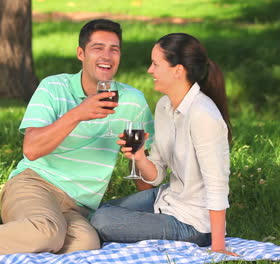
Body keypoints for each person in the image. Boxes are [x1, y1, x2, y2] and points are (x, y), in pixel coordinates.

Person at [0, 19, 154, 255]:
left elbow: (142, 178)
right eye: (98, 48)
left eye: (114, 49)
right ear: (81, 54)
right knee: (47, 232)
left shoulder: (133, 102)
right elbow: (31, 149)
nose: (107, 57)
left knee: (85, 245)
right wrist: (78, 113)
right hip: (34, 184)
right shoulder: (54, 87)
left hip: (78, 206)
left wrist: (139, 160)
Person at [90, 33, 238, 256]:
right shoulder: (164, 106)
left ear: (178, 71)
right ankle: (151, 223)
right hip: (167, 199)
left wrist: (218, 246)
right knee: (100, 211)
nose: (150, 71)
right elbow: (157, 175)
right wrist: (139, 157)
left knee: (101, 220)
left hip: (193, 223)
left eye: (156, 64)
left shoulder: (203, 116)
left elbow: (217, 185)